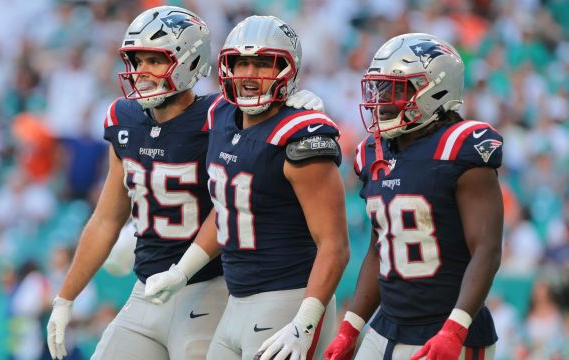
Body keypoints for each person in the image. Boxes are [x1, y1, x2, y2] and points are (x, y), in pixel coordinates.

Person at [45, 6, 325, 360]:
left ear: (190, 62)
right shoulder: (123, 118)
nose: (141, 72)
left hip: (208, 287)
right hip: (146, 288)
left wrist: (290, 107)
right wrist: (66, 297)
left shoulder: (221, 116)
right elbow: (106, 218)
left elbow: (265, 120)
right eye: (136, 60)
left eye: (155, 60)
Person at [143, 15, 350, 360]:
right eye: (242, 63)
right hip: (236, 302)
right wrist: (181, 271)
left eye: (263, 64)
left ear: (287, 69)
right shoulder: (221, 115)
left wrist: (305, 322)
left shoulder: (302, 133)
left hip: (288, 300)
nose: (250, 75)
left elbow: (335, 244)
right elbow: (228, 210)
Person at [323, 33, 503, 360]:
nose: (381, 100)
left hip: (446, 328)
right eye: (379, 88)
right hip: (386, 326)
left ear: (436, 89)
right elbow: (382, 248)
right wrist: (351, 326)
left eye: (395, 89)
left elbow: (487, 250)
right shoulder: (372, 152)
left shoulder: (460, 148)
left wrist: (455, 329)